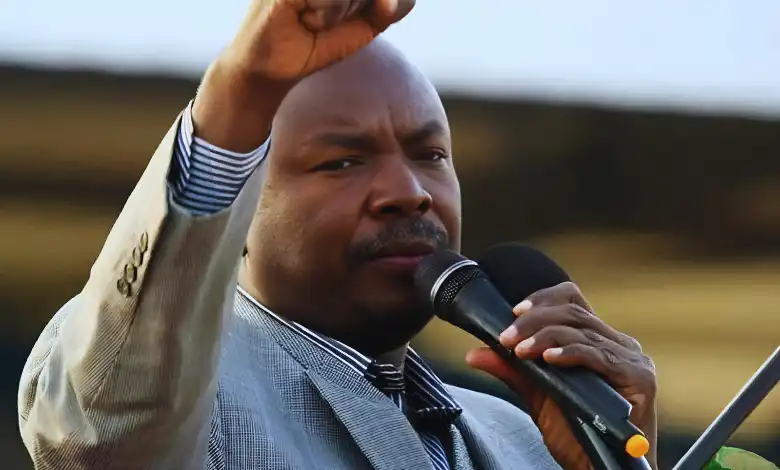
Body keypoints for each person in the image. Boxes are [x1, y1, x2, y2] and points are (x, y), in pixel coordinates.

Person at [18, 1, 658, 469]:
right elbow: (104, 426)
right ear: (242, 213)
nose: (409, 190)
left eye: (430, 155)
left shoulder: (522, 437)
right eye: (342, 162)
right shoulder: (180, 390)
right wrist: (244, 93)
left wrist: (620, 456)